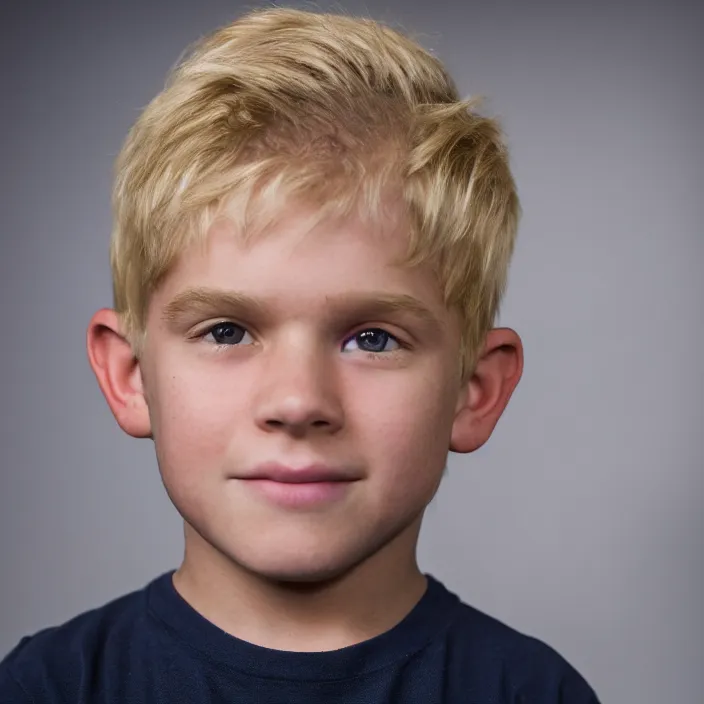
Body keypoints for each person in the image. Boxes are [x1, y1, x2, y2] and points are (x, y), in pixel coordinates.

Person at [0, 7, 600, 703]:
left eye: (372, 339)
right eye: (226, 331)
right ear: (130, 376)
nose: (297, 402)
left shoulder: (532, 694)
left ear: (474, 390)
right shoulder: (46, 689)